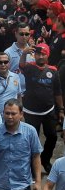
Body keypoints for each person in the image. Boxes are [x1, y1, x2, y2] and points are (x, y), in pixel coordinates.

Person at [0, 99, 43, 190]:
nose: (10, 117)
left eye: (13, 114)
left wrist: (38, 182)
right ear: (3, 113)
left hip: (23, 186)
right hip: (1, 186)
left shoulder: (30, 132)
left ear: (21, 114)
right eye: (7, 113)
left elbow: (36, 157)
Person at [20, 42, 64, 173]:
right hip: (30, 111)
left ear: (47, 56)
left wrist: (61, 109)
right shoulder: (29, 68)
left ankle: (45, 160)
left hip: (48, 111)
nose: (40, 56)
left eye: (43, 54)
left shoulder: (53, 71)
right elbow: (21, 65)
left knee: (52, 137)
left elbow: (57, 92)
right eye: (38, 54)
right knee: (32, 140)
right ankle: (32, 165)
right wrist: (24, 53)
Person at [4, 23, 33, 94]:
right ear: (16, 34)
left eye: (26, 34)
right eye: (21, 34)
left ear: (29, 35)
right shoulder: (8, 52)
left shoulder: (33, 51)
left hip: (31, 92)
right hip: (14, 92)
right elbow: (3, 73)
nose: (24, 36)